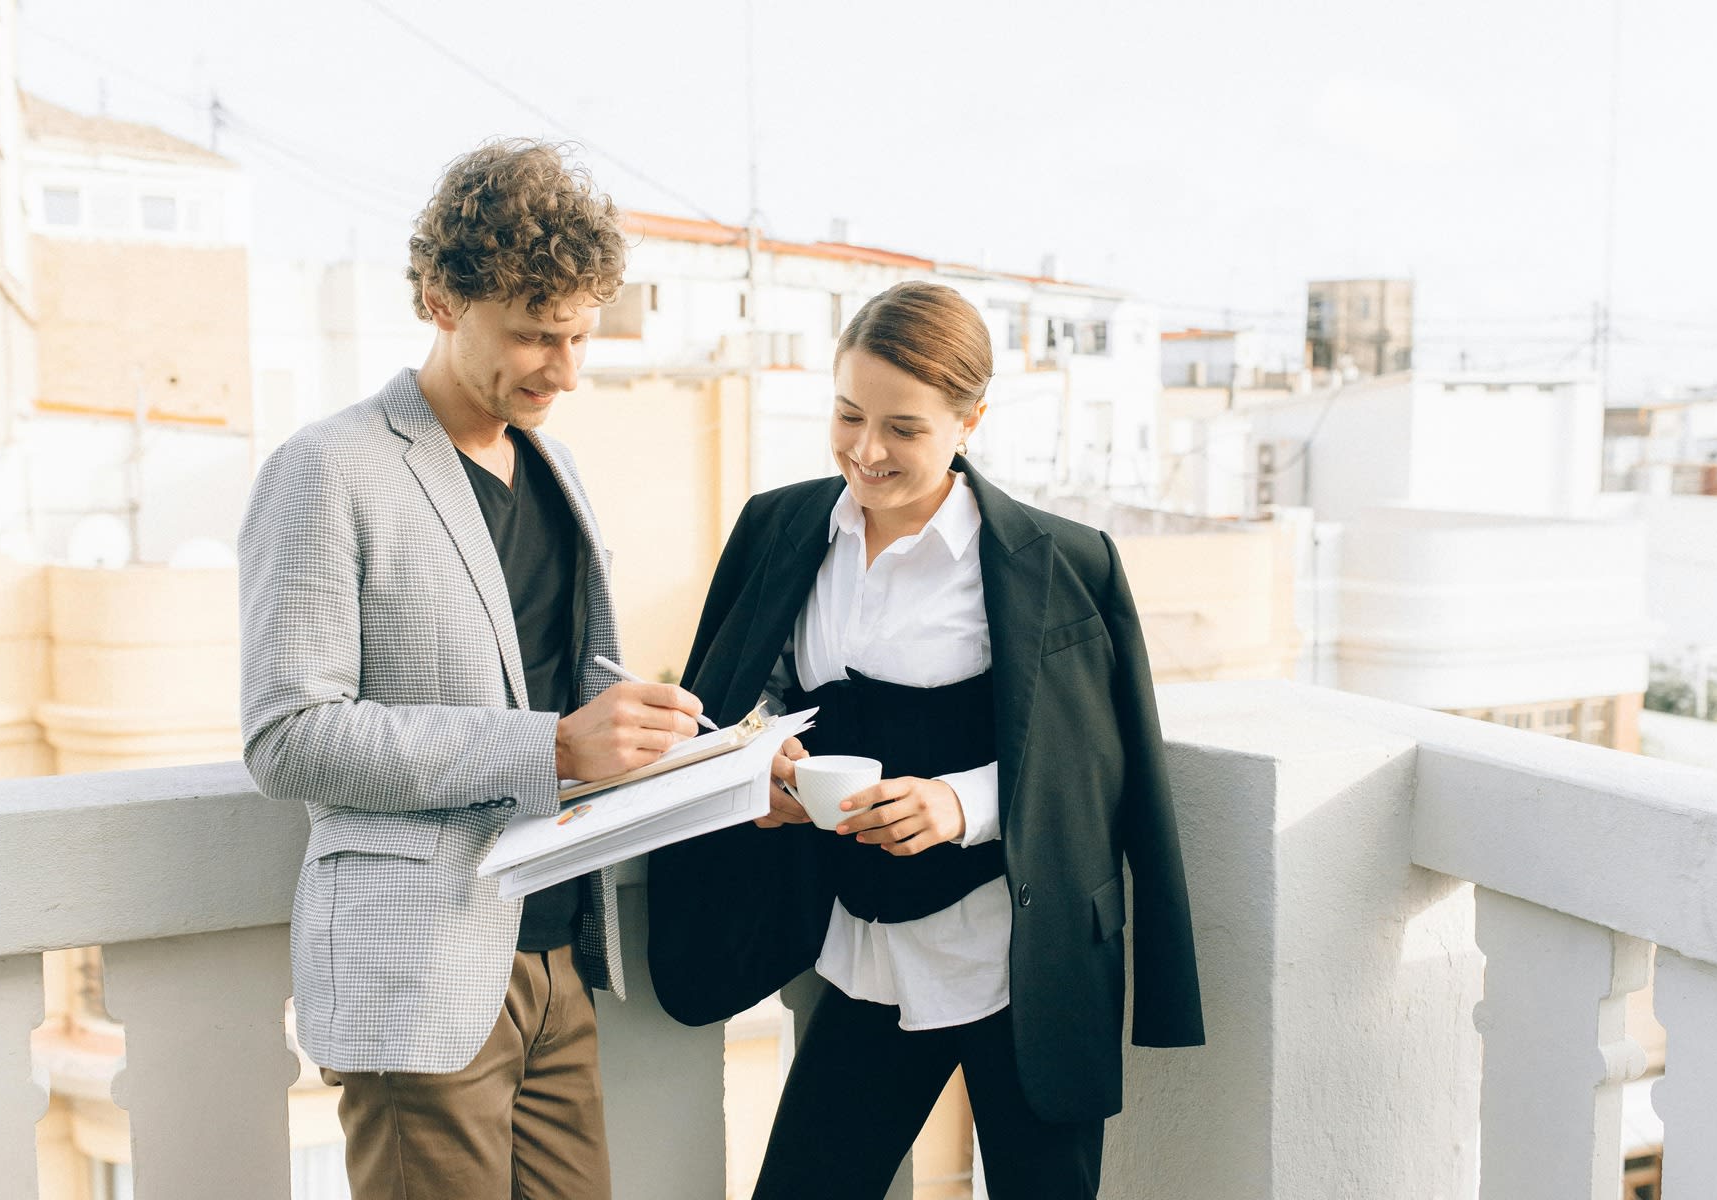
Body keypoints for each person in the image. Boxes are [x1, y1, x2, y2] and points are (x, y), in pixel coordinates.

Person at [648, 281, 1204, 1199]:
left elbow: (1093, 762)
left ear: (970, 420)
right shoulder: (779, 526)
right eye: (847, 414)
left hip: (1020, 960)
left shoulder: (1058, 560)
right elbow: (733, 694)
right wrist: (763, 763)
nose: (866, 451)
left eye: (903, 428)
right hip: (864, 952)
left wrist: (960, 803)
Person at [238, 140, 703, 1200]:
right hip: (419, 975)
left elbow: (571, 685)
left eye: (579, 336)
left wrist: (691, 755)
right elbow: (286, 735)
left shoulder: (555, 464)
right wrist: (549, 746)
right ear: (442, 298)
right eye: (536, 335)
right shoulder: (325, 469)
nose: (565, 370)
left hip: (556, 957)